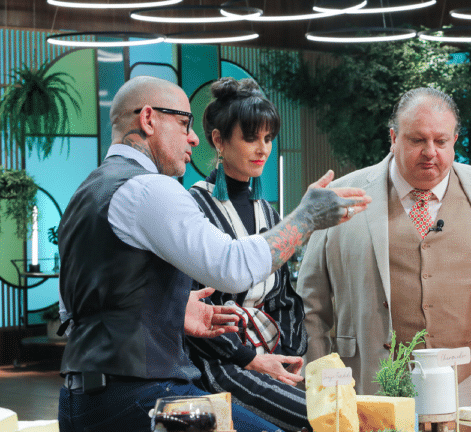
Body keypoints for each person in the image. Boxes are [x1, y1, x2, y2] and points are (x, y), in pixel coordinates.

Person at [57, 75, 370, 432]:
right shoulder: (150, 189)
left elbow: (76, 306)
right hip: (145, 395)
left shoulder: (87, 192)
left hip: (81, 400)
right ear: (148, 119)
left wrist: (173, 308)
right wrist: (306, 218)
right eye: (183, 123)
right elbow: (232, 267)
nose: (193, 137)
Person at [298, 87, 471, 403]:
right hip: (374, 383)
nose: (430, 151)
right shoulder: (341, 196)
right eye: (417, 140)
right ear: (394, 138)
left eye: (441, 141)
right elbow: (310, 302)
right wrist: (316, 388)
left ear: (455, 140)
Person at [183, 77, 309, 431]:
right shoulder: (192, 208)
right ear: (219, 140)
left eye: (268, 138)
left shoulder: (268, 213)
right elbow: (194, 305)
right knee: (312, 417)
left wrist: (289, 355)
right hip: (219, 361)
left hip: (270, 353)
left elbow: (284, 296)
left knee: (338, 409)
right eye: (251, 137)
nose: (263, 149)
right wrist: (250, 357)